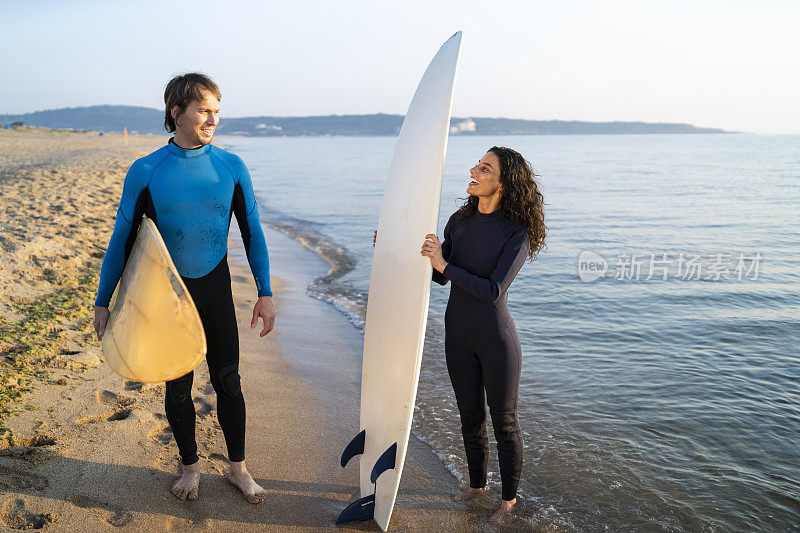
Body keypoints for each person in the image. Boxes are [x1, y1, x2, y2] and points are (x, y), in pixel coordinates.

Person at [93, 73, 276, 504]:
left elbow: (253, 232)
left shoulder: (231, 167)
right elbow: (121, 239)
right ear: (177, 112)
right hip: (168, 293)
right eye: (204, 110)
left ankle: (238, 469)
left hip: (214, 288)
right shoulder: (147, 170)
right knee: (178, 386)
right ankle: (189, 468)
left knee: (228, 380)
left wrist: (265, 291)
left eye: (217, 110)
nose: (213, 118)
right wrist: (104, 300)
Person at [420, 146, 546, 524]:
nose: (474, 171)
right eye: (477, 164)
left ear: (504, 183)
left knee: (504, 421)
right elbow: (441, 277)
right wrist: (418, 253)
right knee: (469, 415)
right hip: (457, 333)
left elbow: (493, 289)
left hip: (495, 338)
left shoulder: (516, 234)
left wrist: (443, 263)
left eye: (485, 168)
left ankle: (508, 500)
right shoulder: (460, 221)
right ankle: (477, 485)